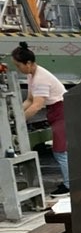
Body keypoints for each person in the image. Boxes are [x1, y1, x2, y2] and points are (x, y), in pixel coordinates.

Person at [12, 42, 69, 197]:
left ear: (28, 63)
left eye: (18, 65)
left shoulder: (40, 79)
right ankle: (69, 182)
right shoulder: (32, 75)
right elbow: (30, 100)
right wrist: (15, 114)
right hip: (56, 112)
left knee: (60, 151)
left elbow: (37, 106)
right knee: (61, 150)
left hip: (62, 111)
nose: (18, 68)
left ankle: (69, 186)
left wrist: (18, 123)